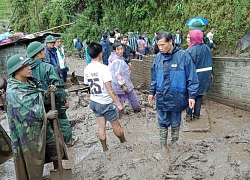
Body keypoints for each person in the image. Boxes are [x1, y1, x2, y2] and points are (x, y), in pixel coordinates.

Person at [6, 54, 59, 180]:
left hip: (43, 128)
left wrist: (47, 93)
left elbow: (39, 101)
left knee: (57, 149)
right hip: (28, 135)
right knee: (32, 161)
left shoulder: (30, 82)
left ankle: (58, 172)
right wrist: (46, 116)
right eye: (25, 66)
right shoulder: (14, 92)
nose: (30, 68)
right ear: (16, 70)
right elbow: (26, 116)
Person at [148, 31, 199, 148]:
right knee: (162, 123)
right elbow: (154, 77)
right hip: (162, 97)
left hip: (177, 97)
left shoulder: (183, 56)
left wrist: (192, 96)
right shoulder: (158, 58)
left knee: (176, 123)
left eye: (162, 45)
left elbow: (192, 77)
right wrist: (152, 91)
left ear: (170, 42)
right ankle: (163, 146)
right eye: (158, 45)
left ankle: (175, 146)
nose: (160, 48)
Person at [27, 41, 78, 147]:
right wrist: (65, 99)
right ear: (37, 53)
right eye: (42, 50)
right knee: (62, 119)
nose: (44, 51)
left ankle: (54, 143)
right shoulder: (48, 67)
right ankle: (68, 140)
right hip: (54, 99)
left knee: (48, 122)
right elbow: (58, 86)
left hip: (39, 102)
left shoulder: (27, 69)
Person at [84, 42, 126, 152]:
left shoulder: (87, 69)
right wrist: (118, 103)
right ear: (100, 54)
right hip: (105, 102)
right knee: (116, 125)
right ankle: (124, 142)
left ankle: (105, 148)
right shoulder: (104, 68)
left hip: (94, 101)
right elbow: (109, 88)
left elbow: (88, 85)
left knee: (101, 126)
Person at [186, 30, 213, 120]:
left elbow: (186, 67)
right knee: (199, 96)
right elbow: (210, 62)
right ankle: (197, 115)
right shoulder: (207, 48)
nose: (187, 39)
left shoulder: (189, 50)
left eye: (189, 37)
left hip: (194, 77)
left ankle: (189, 115)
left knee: (191, 95)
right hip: (205, 76)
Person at [108, 41, 141, 113]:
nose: (121, 51)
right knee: (132, 97)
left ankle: (117, 113)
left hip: (116, 84)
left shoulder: (112, 58)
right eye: (118, 49)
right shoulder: (117, 61)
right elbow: (118, 74)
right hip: (123, 84)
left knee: (119, 99)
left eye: (121, 49)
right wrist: (123, 85)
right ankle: (136, 109)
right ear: (114, 50)